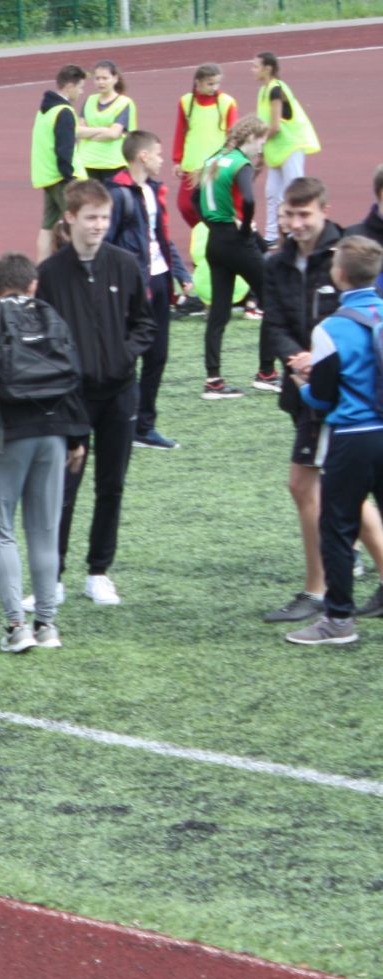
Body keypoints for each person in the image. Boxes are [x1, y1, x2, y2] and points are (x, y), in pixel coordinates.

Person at [260, 180, 383, 625]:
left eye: (304, 215)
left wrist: (321, 358)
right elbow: (271, 322)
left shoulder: (345, 255)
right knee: (342, 490)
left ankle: (319, 592)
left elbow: (363, 322)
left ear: (324, 212)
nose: (295, 224)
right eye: (288, 215)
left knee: (309, 486)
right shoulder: (275, 264)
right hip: (306, 389)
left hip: (338, 397)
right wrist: (298, 357)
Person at [0, 252, 86, 652]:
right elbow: (74, 377)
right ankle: (47, 624)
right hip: (53, 432)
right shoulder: (51, 315)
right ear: (33, 285)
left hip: (0, 435)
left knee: (2, 531)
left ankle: (16, 626)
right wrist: (77, 436)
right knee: (44, 532)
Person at [37, 180, 155, 607]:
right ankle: (54, 577)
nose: (99, 226)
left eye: (104, 218)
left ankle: (99, 572)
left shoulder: (124, 264)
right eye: (91, 218)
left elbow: (145, 323)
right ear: (69, 219)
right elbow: (43, 336)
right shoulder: (49, 274)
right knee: (62, 489)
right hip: (71, 399)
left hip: (120, 394)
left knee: (112, 485)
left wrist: (124, 354)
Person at [286, 236, 383, 645]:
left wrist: (300, 384)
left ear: (339, 274)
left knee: (339, 527)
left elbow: (323, 399)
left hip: (353, 437)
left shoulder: (332, 328)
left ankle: (339, 620)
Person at [104, 131, 184, 449]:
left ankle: (144, 426)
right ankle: (120, 422)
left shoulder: (154, 190)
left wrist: (179, 271)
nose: (162, 160)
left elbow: (160, 235)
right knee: (127, 357)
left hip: (160, 281)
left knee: (158, 355)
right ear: (142, 157)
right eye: (158, 154)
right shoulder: (117, 192)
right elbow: (107, 243)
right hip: (133, 287)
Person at [194, 117, 271, 399]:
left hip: (215, 240)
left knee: (219, 312)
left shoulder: (214, 158)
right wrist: (245, 225)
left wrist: (215, 224)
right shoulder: (241, 163)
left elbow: (194, 199)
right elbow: (249, 200)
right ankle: (267, 373)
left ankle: (213, 380)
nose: (261, 148)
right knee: (273, 299)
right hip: (237, 242)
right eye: (260, 141)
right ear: (250, 137)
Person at [254, 52, 321, 246]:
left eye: (256, 66)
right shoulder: (263, 91)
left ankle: (298, 231)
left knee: (294, 190)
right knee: (272, 191)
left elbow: (274, 125)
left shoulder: (276, 90)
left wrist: (259, 146)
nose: (253, 70)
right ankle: (272, 235)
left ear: (268, 68)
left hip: (291, 144)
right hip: (276, 148)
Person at [31, 65, 88, 263]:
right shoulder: (64, 111)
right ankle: (77, 266)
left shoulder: (45, 110)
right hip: (62, 178)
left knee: (47, 226)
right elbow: (64, 149)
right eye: (80, 87)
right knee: (78, 224)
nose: (81, 92)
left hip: (47, 177)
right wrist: (70, 178)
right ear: (70, 86)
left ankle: (41, 270)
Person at [173, 63, 236, 230]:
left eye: (217, 83)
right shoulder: (186, 102)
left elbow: (232, 136)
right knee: (185, 206)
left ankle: (213, 235)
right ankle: (204, 231)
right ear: (198, 82)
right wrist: (177, 159)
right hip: (192, 164)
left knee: (212, 206)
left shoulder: (227, 102)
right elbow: (181, 131)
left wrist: (227, 160)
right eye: (210, 83)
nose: (214, 87)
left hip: (214, 165)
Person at [77, 60, 136, 183]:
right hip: (88, 162)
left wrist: (89, 134)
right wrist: (102, 130)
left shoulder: (124, 103)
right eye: (97, 78)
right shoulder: (89, 100)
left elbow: (113, 134)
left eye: (105, 78)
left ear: (115, 78)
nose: (100, 82)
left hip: (113, 163)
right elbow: (78, 131)